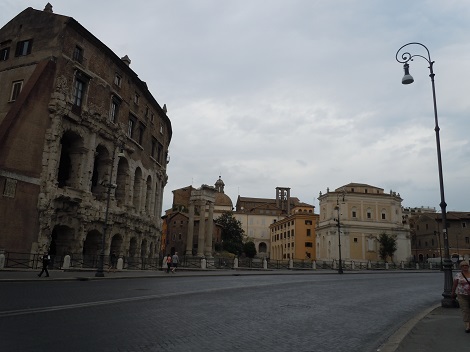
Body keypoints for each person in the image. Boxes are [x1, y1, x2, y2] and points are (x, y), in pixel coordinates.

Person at [452, 260, 470, 332]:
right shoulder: (458, 275)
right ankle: (467, 326)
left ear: (468, 266)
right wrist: (453, 293)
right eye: (463, 266)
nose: (465, 267)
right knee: (465, 310)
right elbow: (455, 285)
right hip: (462, 295)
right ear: (460, 267)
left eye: (466, 265)